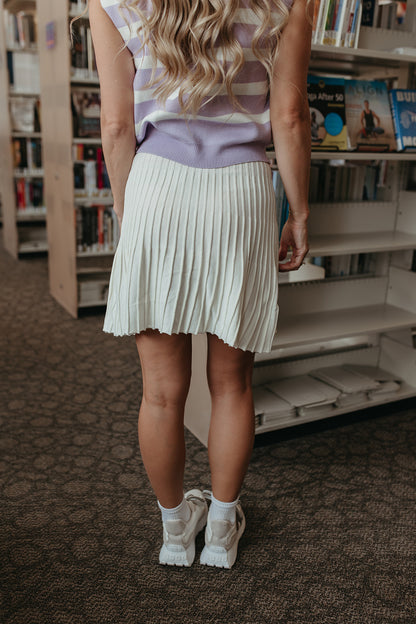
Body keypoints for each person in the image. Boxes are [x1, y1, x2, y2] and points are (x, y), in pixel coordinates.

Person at [89, 0, 312, 568]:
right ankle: (218, 531)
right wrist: (300, 214)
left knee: (161, 391)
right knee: (231, 383)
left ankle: (172, 535)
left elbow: (115, 126)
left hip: (156, 186)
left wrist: (128, 213)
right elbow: (289, 117)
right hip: (241, 190)